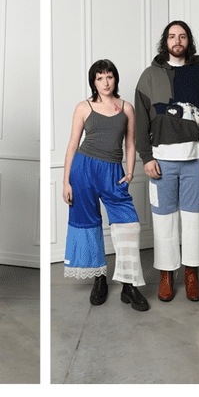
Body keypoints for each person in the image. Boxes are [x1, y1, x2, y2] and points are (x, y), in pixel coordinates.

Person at [134, 20, 199, 302]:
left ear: (188, 41)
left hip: (195, 160)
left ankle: (191, 273)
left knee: (195, 218)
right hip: (160, 161)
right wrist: (146, 157)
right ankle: (166, 274)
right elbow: (139, 119)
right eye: (172, 36)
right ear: (165, 41)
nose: (177, 40)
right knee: (163, 220)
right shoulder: (149, 75)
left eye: (182, 36)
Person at [61, 59, 148, 310]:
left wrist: (130, 173)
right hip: (83, 170)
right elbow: (72, 145)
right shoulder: (83, 107)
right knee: (91, 225)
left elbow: (130, 143)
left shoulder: (126, 108)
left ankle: (129, 285)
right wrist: (66, 181)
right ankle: (100, 278)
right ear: (94, 82)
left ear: (115, 79)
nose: (105, 82)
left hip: (113, 172)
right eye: (100, 78)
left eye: (109, 76)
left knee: (129, 226)